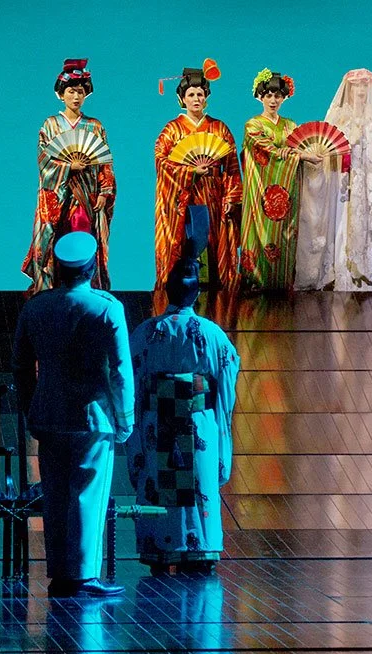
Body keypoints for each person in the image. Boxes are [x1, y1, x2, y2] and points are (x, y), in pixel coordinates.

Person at [12, 232, 133, 598]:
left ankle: (60, 573)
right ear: (93, 268)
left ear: (57, 268)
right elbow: (120, 370)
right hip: (92, 417)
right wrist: (124, 418)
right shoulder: (106, 308)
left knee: (55, 495)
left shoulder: (36, 308)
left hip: (48, 414)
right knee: (87, 496)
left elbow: (21, 366)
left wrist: (32, 407)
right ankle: (83, 574)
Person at [128, 257, 241, 574]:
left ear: (167, 289)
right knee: (197, 484)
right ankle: (198, 549)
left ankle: (160, 549)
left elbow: (131, 380)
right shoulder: (211, 334)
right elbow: (227, 377)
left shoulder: (146, 333)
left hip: (157, 422)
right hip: (197, 420)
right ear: (197, 293)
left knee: (159, 480)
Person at [297, 68, 372, 291]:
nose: (361, 90)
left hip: (371, 182)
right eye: (356, 86)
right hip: (344, 181)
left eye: (365, 85)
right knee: (343, 222)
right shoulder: (339, 117)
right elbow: (328, 148)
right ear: (349, 89)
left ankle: (370, 273)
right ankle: (343, 270)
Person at [23, 59, 117, 292]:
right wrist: (68, 167)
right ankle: (53, 289)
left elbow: (105, 162)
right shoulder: (50, 125)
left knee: (83, 236)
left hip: (87, 195)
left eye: (80, 92)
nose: (76, 97)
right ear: (61, 94)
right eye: (71, 91)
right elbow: (44, 160)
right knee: (55, 239)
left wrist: (104, 192)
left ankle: (85, 288)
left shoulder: (95, 126)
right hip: (56, 196)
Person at [152, 62, 242, 288]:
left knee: (213, 244)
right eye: (191, 95)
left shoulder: (219, 128)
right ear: (182, 99)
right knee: (185, 244)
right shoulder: (172, 130)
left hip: (213, 197)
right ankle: (182, 294)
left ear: (206, 97)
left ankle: (215, 298)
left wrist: (231, 197)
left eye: (200, 94)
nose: (196, 99)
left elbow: (232, 166)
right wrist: (190, 172)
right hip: (183, 199)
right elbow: (161, 162)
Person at [238, 69, 316, 291]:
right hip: (260, 189)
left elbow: (301, 145)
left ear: (284, 98)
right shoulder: (253, 125)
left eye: (278, 96)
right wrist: (299, 156)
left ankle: (283, 284)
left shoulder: (291, 125)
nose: (273, 101)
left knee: (286, 235)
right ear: (260, 97)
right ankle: (255, 284)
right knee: (260, 235)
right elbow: (270, 150)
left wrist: (308, 154)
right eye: (269, 95)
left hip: (287, 189)